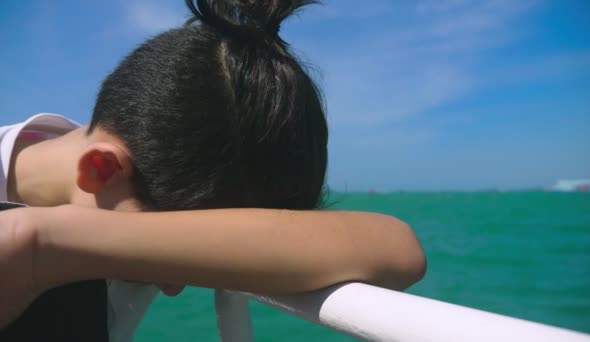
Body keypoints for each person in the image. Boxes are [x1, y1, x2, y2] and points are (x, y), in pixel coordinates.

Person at [0, 0, 426, 340]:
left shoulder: (120, 175)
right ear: (100, 167)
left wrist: (41, 244)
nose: (173, 283)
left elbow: (397, 249)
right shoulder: (129, 168)